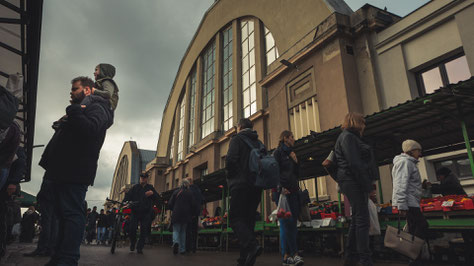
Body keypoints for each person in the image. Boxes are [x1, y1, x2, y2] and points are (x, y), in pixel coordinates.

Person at [39, 76, 114, 265]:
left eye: (75, 89)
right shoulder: (82, 109)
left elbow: (91, 129)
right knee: (60, 215)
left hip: (75, 170)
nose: (71, 92)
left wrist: (73, 112)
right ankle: (59, 256)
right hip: (60, 169)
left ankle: (68, 258)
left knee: (71, 214)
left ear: (87, 90)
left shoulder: (98, 107)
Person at [334, 112, 378, 266]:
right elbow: (355, 164)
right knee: (362, 220)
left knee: (357, 219)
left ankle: (351, 256)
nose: (365, 126)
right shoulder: (348, 137)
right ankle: (364, 259)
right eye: (363, 122)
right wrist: (368, 186)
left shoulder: (349, 137)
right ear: (357, 122)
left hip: (351, 179)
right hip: (352, 180)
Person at [225, 118, 264, 266]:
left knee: (235, 219)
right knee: (248, 222)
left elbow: (230, 160)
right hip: (256, 186)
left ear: (239, 127)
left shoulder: (237, 139)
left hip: (240, 185)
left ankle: (252, 246)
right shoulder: (259, 143)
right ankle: (244, 259)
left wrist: (231, 178)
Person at [392, 140, 428, 266]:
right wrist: (401, 204)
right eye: (418, 150)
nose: (420, 153)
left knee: (414, 229)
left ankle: (414, 259)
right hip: (410, 203)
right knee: (422, 225)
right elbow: (400, 184)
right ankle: (413, 257)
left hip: (411, 202)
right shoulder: (405, 162)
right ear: (411, 151)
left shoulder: (409, 163)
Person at [273, 130, 304, 266]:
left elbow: (297, 174)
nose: (294, 139)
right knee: (286, 224)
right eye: (292, 137)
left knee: (293, 224)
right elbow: (274, 172)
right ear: (285, 138)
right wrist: (280, 187)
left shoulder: (292, 154)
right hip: (283, 194)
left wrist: (296, 162)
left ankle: (294, 254)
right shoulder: (278, 153)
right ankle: (287, 255)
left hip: (294, 192)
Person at [123, 172, 161, 254]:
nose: (143, 178)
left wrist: (152, 194)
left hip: (146, 212)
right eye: (142, 177)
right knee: (132, 229)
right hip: (135, 211)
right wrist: (125, 202)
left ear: (147, 178)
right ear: (140, 178)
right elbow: (127, 197)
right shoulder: (135, 187)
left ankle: (140, 247)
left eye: (145, 177)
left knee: (144, 230)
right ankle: (133, 242)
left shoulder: (150, 188)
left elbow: (157, 198)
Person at [24, 178, 58, 257]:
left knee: (47, 223)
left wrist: (39, 197)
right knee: (54, 224)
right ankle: (50, 249)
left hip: (48, 197)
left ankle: (42, 248)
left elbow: (47, 183)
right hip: (58, 198)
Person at [168, 179, 196, 255]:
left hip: (176, 214)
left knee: (176, 230)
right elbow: (193, 205)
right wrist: (192, 214)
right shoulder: (190, 193)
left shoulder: (176, 192)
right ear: (187, 185)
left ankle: (176, 242)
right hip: (186, 215)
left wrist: (174, 209)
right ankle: (182, 249)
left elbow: (170, 204)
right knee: (183, 232)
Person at [186, 177, 203, 253]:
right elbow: (202, 200)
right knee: (194, 231)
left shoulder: (188, 190)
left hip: (189, 213)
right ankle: (194, 248)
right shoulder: (198, 190)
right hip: (196, 213)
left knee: (188, 230)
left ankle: (188, 247)